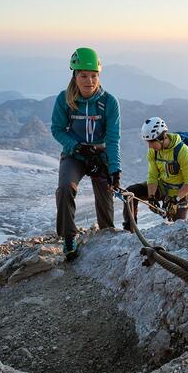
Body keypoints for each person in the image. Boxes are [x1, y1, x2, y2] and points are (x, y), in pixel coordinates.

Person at [51, 47, 121, 259]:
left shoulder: (109, 102)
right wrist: (77, 147)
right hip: (75, 155)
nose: (89, 81)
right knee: (65, 188)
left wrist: (114, 169)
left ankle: (107, 236)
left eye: (93, 76)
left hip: (100, 155)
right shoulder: (64, 99)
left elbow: (113, 138)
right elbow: (57, 129)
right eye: (83, 76)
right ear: (74, 76)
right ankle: (69, 238)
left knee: (105, 201)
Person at [122, 116, 188, 230]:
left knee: (178, 228)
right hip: (162, 188)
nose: (150, 146)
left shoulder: (183, 152)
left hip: (179, 195)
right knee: (131, 192)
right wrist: (151, 197)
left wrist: (175, 200)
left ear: (162, 137)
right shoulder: (153, 151)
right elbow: (152, 176)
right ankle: (130, 230)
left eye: (152, 142)